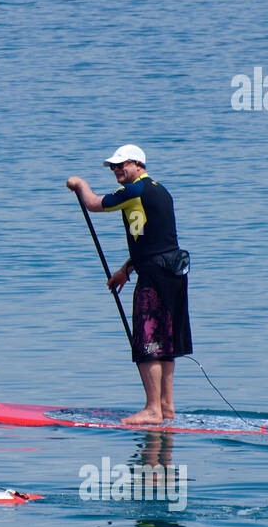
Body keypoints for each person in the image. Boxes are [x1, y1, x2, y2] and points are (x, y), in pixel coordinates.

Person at [66, 144, 192, 425]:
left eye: (121, 165)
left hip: (155, 278)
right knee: (166, 340)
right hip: (173, 274)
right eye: (113, 166)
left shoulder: (135, 189)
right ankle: (165, 407)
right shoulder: (160, 190)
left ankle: (152, 410)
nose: (116, 170)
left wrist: (80, 184)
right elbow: (154, 241)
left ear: (138, 164)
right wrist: (127, 269)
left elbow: (94, 204)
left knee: (148, 339)